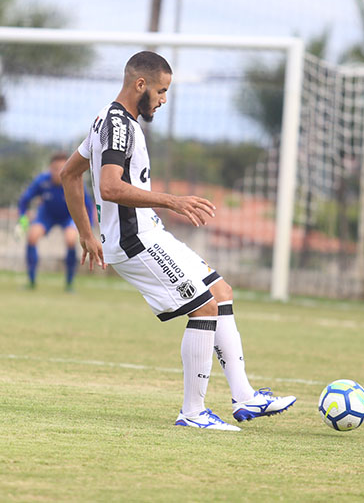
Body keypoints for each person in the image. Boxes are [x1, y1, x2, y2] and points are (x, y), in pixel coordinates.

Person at [59, 50, 296, 431]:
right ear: (141, 85)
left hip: (149, 233)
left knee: (220, 291)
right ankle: (193, 412)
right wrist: (172, 200)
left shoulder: (110, 120)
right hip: (136, 241)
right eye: (161, 91)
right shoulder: (117, 125)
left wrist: (88, 234)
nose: (163, 100)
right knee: (202, 309)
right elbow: (109, 186)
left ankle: (245, 397)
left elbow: (69, 175)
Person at [17, 152, 95, 291]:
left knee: (71, 239)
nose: (58, 172)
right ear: (49, 168)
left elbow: (88, 206)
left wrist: (89, 228)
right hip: (46, 215)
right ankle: (31, 281)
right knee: (32, 236)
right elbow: (24, 200)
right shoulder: (42, 181)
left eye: (62, 168)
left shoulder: (74, 181)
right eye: (54, 168)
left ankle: (69, 283)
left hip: (69, 216)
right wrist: (22, 218)